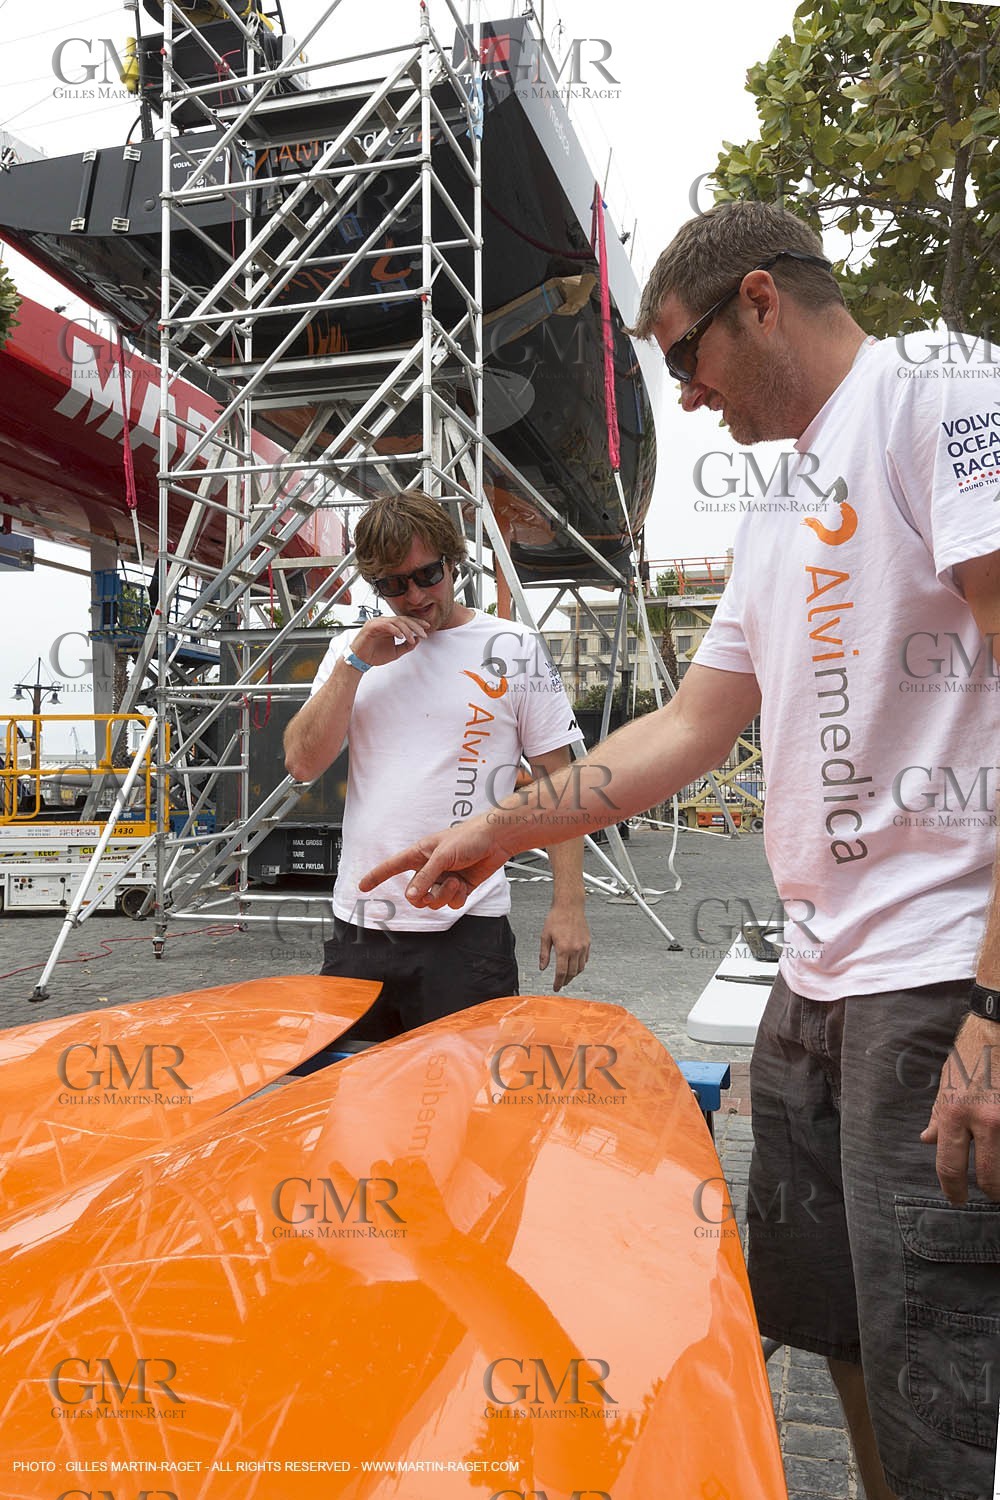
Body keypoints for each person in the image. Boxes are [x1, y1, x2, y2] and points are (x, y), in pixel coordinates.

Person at [360, 203, 1000, 1500]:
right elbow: (687, 731)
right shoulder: (780, 509)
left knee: (941, 1360)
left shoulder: (939, 391)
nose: (688, 398)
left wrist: (994, 1002)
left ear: (759, 300)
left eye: (683, 358)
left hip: (938, 975)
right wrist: (505, 825)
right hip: (816, 982)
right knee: (834, 1324)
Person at [283, 489, 590, 1047]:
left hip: (466, 929)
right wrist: (355, 662)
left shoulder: (511, 645)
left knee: (467, 1107)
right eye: (393, 585)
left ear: (454, 561)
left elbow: (558, 782)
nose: (417, 595)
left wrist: (568, 903)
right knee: (352, 1104)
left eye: (428, 574)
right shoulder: (351, 652)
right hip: (361, 925)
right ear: (375, 587)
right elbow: (301, 763)